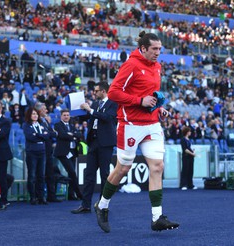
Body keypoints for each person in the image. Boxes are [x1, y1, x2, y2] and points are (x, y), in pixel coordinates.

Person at [93, 32, 179, 233]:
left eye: (160, 49)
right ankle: (102, 205)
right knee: (123, 168)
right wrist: (139, 102)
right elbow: (113, 92)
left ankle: (157, 217)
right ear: (143, 48)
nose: (158, 53)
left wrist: (158, 108)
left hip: (152, 124)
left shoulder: (157, 66)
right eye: (154, 49)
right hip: (130, 124)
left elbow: (150, 95)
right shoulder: (131, 65)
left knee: (157, 166)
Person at [71, 82, 118, 214]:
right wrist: (79, 110)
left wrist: (90, 110)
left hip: (105, 143)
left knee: (104, 175)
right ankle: (85, 205)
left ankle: (102, 205)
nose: (94, 93)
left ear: (103, 91)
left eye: (96, 91)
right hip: (93, 141)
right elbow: (89, 116)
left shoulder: (113, 103)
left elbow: (107, 118)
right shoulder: (96, 104)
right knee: (89, 174)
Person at [53, 109, 83, 201]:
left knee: (71, 173)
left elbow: (79, 135)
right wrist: (72, 135)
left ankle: (71, 194)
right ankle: (78, 193)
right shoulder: (58, 125)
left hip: (72, 152)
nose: (66, 117)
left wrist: (71, 134)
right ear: (61, 116)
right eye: (64, 115)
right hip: (63, 153)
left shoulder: (71, 126)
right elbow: (62, 135)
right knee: (72, 173)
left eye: (67, 115)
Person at [22, 107, 49, 205]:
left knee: (41, 175)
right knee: (32, 175)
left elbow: (47, 136)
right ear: (29, 115)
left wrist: (37, 135)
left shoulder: (41, 124)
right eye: (33, 114)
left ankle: (41, 197)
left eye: (36, 114)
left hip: (42, 152)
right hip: (31, 152)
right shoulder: (26, 125)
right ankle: (33, 197)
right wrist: (41, 136)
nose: (35, 115)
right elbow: (30, 137)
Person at [34, 102, 61, 203]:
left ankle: (51, 196)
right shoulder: (36, 122)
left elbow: (51, 133)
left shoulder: (45, 121)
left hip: (49, 151)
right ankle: (39, 196)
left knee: (50, 174)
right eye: (44, 109)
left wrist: (51, 133)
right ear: (39, 110)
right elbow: (46, 133)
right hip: (41, 150)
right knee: (40, 174)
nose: (46, 110)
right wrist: (50, 133)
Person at [180, 126, 197, 190]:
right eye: (189, 131)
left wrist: (193, 151)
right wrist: (192, 153)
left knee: (190, 171)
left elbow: (190, 147)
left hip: (191, 157)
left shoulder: (189, 140)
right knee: (185, 170)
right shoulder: (183, 139)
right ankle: (184, 184)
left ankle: (190, 184)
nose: (190, 132)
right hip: (186, 157)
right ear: (187, 132)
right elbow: (185, 149)